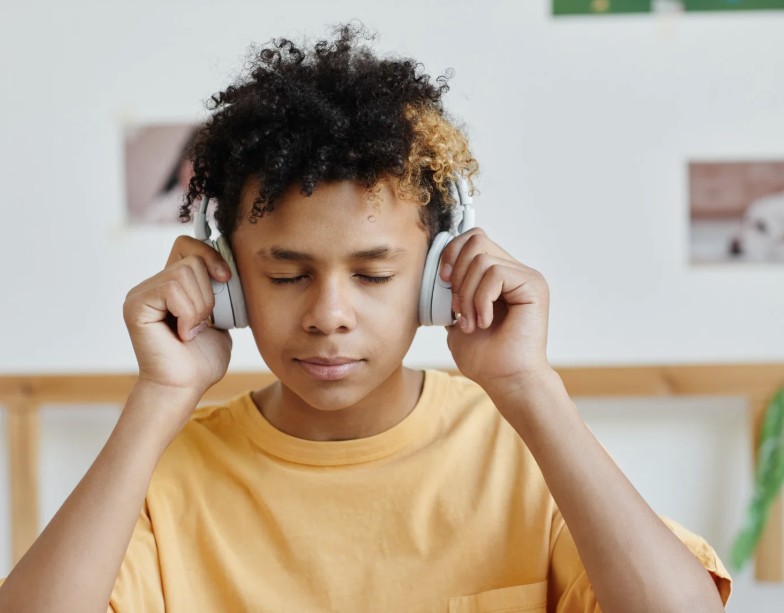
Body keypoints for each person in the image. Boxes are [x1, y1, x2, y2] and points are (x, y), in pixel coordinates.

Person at [0, 24, 731, 612]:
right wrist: (160, 393)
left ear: (437, 274)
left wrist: (529, 385)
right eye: (286, 274)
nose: (328, 315)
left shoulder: (523, 449)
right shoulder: (162, 472)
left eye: (375, 274)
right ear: (225, 280)